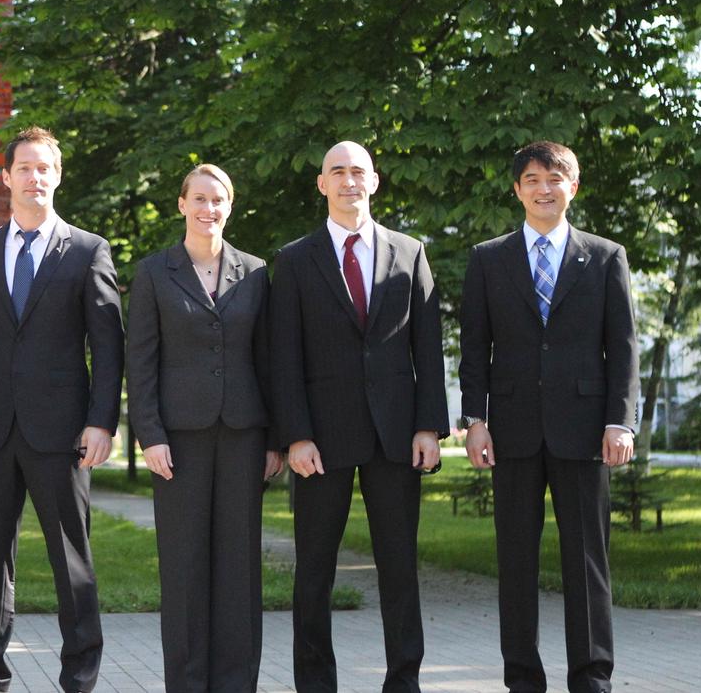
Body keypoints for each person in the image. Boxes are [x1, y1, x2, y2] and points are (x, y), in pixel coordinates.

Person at [459, 141, 638, 693]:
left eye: (554, 179)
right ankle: (523, 680)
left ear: (572, 187)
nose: (543, 188)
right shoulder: (488, 258)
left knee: (587, 563)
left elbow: (624, 346)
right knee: (515, 563)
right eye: (532, 179)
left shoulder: (606, 257)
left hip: (585, 431)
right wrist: (475, 419)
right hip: (511, 430)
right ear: (517, 190)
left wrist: (621, 421)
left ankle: (591, 679)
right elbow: (474, 347)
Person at [269, 141, 448, 693]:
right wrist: (295, 435)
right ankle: (316, 684)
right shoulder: (295, 260)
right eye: (337, 172)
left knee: (400, 571)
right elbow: (284, 356)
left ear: (375, 181)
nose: (349, 180)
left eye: (359, 171)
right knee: (314, 574)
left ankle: (404, 682)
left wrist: (429, 426)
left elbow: (428, 347)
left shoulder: (409, 252)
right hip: (321, 440)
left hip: (396, 436)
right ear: (321, 184)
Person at [0, 126, 124, 693]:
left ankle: (80, 676)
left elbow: (108, 344)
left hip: (64, 432)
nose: (34, 177)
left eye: (44, 168)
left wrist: (102, 421)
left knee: (71, 560)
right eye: (23, 167)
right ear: (6, 177)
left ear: (57, 176)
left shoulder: (87, 250)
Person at [125, 163, 283, 693]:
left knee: (239, 569)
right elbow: (140, 360)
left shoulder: (257, 272)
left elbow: (270, 361)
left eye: (218, 200)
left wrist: (276, 440)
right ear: (181, 204)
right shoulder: (153, 272)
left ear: (230, 206)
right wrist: (150, 434)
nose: (208, 209)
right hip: (179, 441)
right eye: (199, 199)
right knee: (185, 569)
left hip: (244, 436)